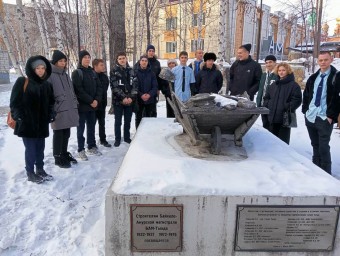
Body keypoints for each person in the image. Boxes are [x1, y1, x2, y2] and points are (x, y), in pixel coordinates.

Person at [10, 55, 55, 183]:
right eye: (37, 68)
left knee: (40, 148)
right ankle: (30, 172)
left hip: (41, 124)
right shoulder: (22, 82)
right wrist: (18, 116)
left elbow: (51, 102)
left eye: (43, 68)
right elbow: (14, 102)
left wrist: (51, 113)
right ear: (32, 69)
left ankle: (40, 170)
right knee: (30, 149)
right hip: (27, 123)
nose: (41, 70)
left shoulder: (46, 85)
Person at [302, 51, 339, 175]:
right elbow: (307, 95)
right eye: (321, 60)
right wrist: (305, 111)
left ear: (331, 60)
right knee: (315, 145)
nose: (323, 62)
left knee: (323, 147)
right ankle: (316, 172)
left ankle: (326, 174)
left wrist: (331, 116)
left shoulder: (336, 77)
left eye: (326, 60)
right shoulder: (313, 77)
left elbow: (337, 99)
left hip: (324, 117)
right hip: (311, 116)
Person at [48, 50, 79, 168]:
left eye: (64, 61)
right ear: (55, 62)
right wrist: (54, 107)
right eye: (60, 61)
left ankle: (64, 153)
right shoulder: (50, 75)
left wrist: (75, 102)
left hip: (69, 108)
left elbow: (71, 91)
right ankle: (57, 157)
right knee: (58, 133)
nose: (63, 63)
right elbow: (49, 94)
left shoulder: (65, 75)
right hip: (59, 110)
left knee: (66, 133)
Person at [72, 50, 103, 160]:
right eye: (85, 57)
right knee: (80, 129)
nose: (87, 59)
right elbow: (78, 90)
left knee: (91, 128)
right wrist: (90, 101)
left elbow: (99, 88)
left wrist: (96, 100)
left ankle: (91, 146)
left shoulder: (92, 72)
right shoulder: (77, 73)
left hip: (93, 106)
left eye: (88, 57)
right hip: (82, 107)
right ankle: (81, 149)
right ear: (80, 59)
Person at [263, 62, 302, 145]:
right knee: (271, 142)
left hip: (284, 118)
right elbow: (266, 97)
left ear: (288, 71)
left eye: (283, 70)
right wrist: (268, 104)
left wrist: (286, 107)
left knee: (282, 143)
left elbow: (297, 100)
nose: (281, 72)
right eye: (279, 70)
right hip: (272, 117)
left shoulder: (294, 85)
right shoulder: (274, 84)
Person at [110, 52, 138, 147]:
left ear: (126, 59)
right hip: (118, 100)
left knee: (128, 120)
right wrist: (123, 97)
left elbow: (135, 85)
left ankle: (126, 137)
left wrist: (130, 97)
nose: (122, 60)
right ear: (117, 60)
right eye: (120, 58)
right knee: (118, 121)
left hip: (129, 101)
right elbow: (114, 87)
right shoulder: (114, 71)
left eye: (123, 58)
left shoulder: (131, 71)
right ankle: (117, 139)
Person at [256, 55, 278, 130]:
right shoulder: (264, 75)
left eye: (270, 62)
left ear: (275, 63)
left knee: (272, 127)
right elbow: (261, 89)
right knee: (265, 125)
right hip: (263, 104)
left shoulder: (277, 75)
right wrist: (258, 102)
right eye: (266, 63)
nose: (268, 64)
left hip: (273, 106)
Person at [135, 55, 158, 128]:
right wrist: (141, 95)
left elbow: (155, 86)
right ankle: (138, 134)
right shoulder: (135, 73)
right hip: (139, 99)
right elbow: (134, 86)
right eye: (142, 61)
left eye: (146, 61)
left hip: (150, 99)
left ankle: (148, 133)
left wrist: (149, 95)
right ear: (139, 62)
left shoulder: (151, 73)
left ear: (148, 62)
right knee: (138, 118)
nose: (144, 62)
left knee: (149, 118)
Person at [93, 58, 111, 147]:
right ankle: (91, 142)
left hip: (102, 104)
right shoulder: (91, 75)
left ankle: (103, 139)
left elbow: (105, 88)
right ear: (95, 66)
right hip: (93, 104)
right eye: (101, 65)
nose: (103, 66)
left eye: (103, 65)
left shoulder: (104, 77)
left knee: (102, 123)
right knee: (92, 124)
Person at [145, 44, 167, 117]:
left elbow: (159, 77)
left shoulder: (157, 63)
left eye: (153, 51)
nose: (151, 52)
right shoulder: (143, 61)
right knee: (144, 109)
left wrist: (159, 88)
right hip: (144, 88)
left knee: (153, 108)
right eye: (150, 51)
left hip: (154, 88)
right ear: (147, 52)